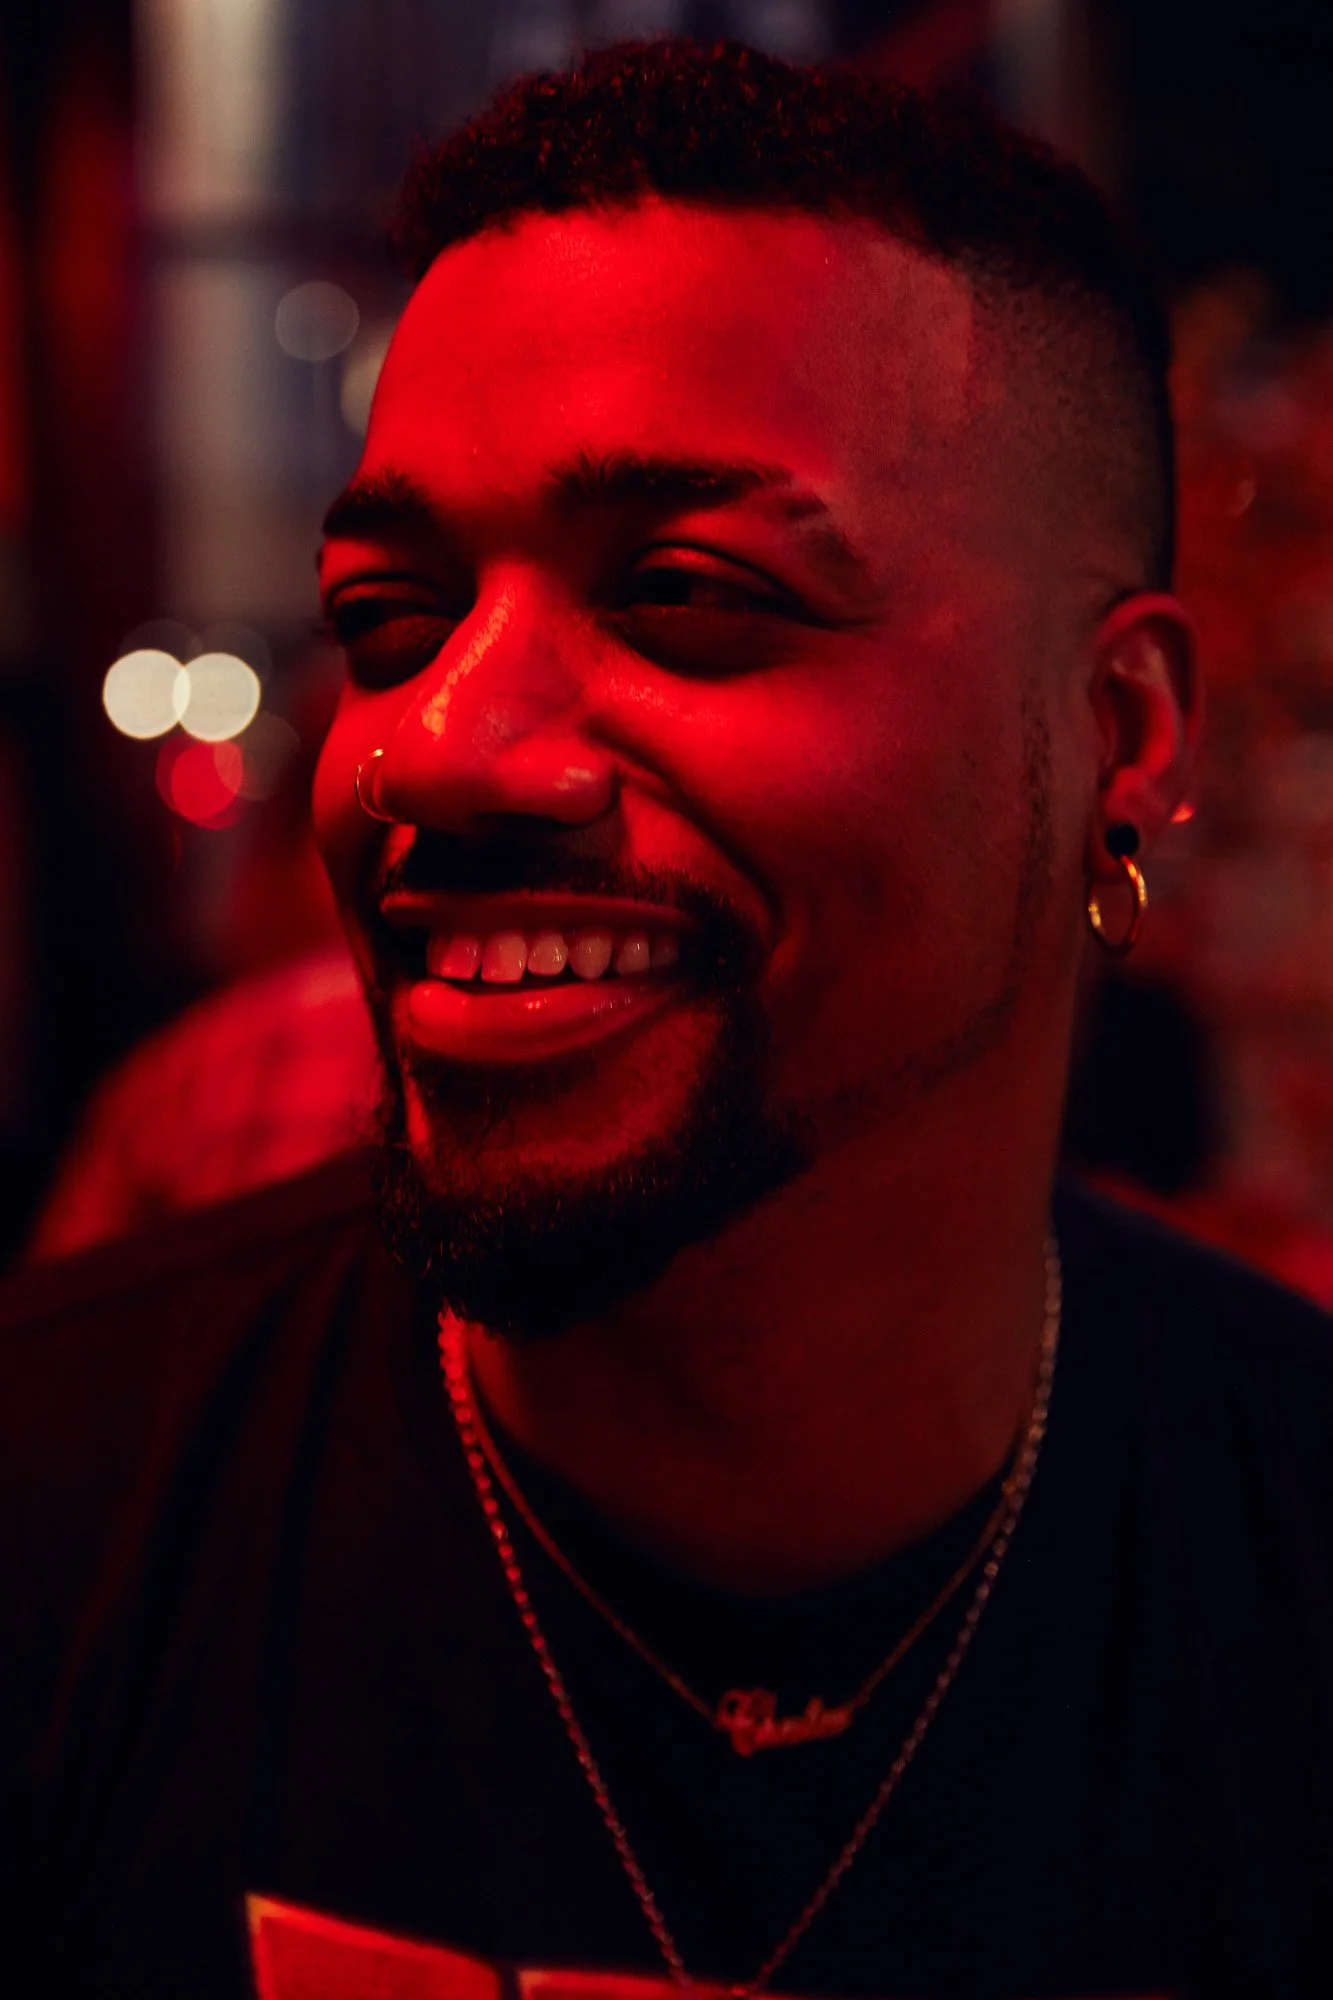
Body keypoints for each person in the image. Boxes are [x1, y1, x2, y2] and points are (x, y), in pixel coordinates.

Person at [2, 38, 1330, 2000]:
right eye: (392, 620)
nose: (433, 743)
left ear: (1119, 734)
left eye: (691, 595)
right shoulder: (57, 1517)